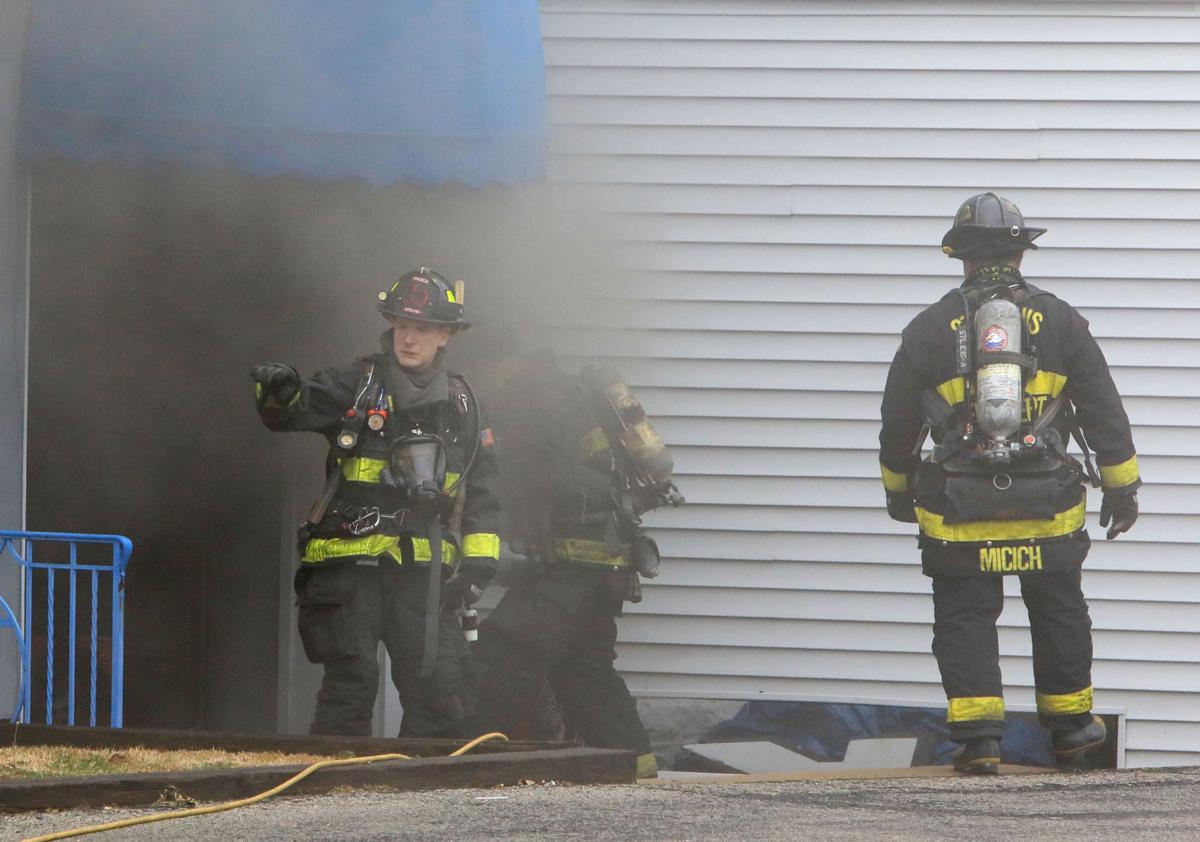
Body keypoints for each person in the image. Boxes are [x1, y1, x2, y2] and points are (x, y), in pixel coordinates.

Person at [878, 193, 1140, 774]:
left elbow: (898, 425)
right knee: (1058, 612)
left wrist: (898, 493)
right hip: (1049, 511)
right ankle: (1072, 730)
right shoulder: (1063, 320)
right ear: (1021, 253)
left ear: (961, 257)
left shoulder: (926, 330)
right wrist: (1123, 491)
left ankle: (979, 741)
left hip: (959, 516)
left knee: (966, 616)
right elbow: (1104, 414)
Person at [252, 268, 500, 737]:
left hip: (423, 573)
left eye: (422, 329)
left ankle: (420, 801)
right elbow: (296, 409)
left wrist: (478, 565)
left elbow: (484, 488)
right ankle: (331, 797)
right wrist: (281, 392)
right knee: (352, 683)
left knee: (440, 691)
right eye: (401, 325)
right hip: (352, 565)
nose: (408, 338)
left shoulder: (463, 404)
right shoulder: (357, 384)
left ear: (445, 335)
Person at [467, 352, 682, 780]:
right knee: (585, 670)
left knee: (500, 659)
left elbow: (523, 478)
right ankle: (635, 769)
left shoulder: (533, 399)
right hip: (605, 568)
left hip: (570, 567)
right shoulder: (570, 393)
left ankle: (471, 767)